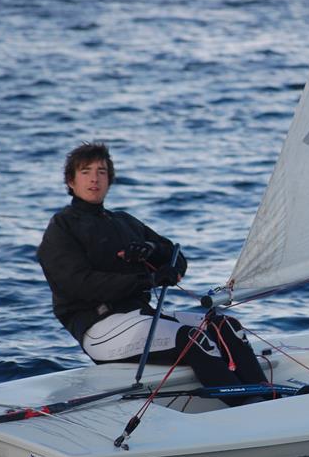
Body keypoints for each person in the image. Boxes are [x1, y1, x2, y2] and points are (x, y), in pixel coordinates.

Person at [37, 142, 268, 406]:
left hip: (140, 316)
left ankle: (268, 399)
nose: (94, 178)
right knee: (192, 338)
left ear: (109, 179)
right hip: (99, 327)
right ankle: (249, 408)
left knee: (227, 326)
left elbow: (175, 256)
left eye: (101, 171)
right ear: (71, 181)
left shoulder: (123, 221)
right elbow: (78, 285)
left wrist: (150, 250)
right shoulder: (62, 227)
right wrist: (145, 280)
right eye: (86, 171)